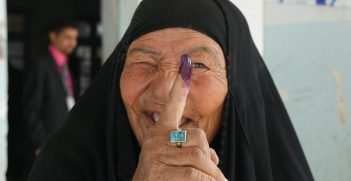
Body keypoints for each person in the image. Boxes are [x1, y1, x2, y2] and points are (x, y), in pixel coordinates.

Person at [27, 0, 314, 180]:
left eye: (196, 65)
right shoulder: (64, 165)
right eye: (143, 62)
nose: (166, 91)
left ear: (236, 87)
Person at [22, 20, 79, 158]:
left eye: (75, 38)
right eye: (68, 37)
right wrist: (40, 143)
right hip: (47, 142)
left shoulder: (66, 65)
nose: (73, 43)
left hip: (64, 138)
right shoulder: (41, 65)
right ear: (53, 36)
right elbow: (31, 107)